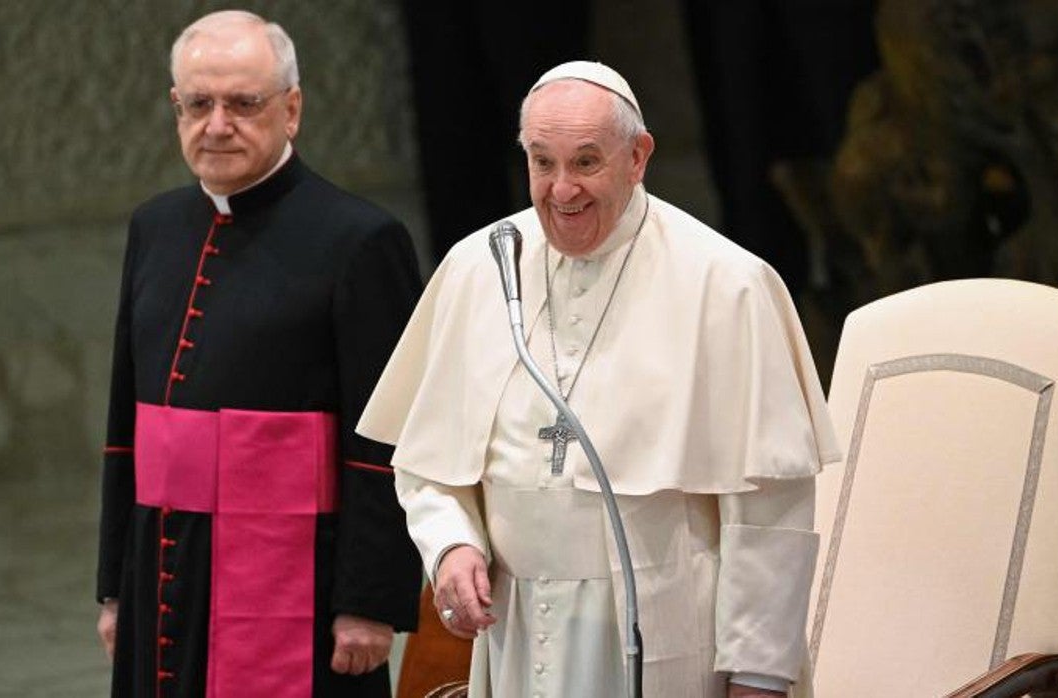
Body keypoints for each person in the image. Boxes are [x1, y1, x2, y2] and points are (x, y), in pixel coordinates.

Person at [358, 61, 841, 697]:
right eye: (542, 162)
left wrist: (758, 673)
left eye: (586, 162)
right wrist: (450, 545)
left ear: (638, 156)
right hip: (519, 631)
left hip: (668, 633)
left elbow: (772, 509)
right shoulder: (482, 267)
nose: (562, 191)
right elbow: (428, 462)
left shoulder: (726, 285)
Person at [95, 11, 422, 698]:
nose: (217, 124)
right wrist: (113, 587)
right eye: (198, 104)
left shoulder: (361, 241)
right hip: (161, 564)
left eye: (244, 103)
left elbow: (387, 439)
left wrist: (368, 600)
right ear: (174, 106)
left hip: (299, 577)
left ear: (292, 108)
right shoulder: (154, 227)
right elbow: (126, 429)